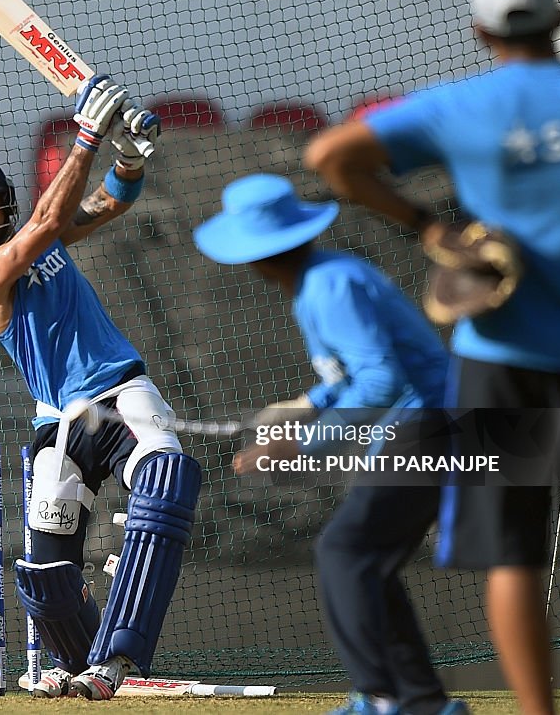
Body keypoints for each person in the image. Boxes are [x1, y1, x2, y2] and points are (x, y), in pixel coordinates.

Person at [306, 0, 560, 715]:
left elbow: (330, 156)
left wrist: (430, 227)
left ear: (479, 30)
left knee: (513, 559)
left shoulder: (459, 107)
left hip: (499, 366)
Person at [0, 75, 202, 700]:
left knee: (167, 480)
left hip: (118, 394)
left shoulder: (39, 240)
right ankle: (81, 666)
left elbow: (105, 206)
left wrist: (130, 162)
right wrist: (86, 136)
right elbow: (52, 216)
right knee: (44, 575)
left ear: (4, 204)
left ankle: (114, 660)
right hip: (57, 423)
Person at [193, 174, 465, 715]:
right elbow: (352, 373)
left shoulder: (328, 286)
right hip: (416, 424)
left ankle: (385, 698)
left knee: (345, 552)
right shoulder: (320, 280)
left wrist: (302, 445)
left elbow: (382, 379)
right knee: (366, 559)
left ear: (258, 253)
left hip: (427, 423)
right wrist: (306, 402)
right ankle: (422, 703)